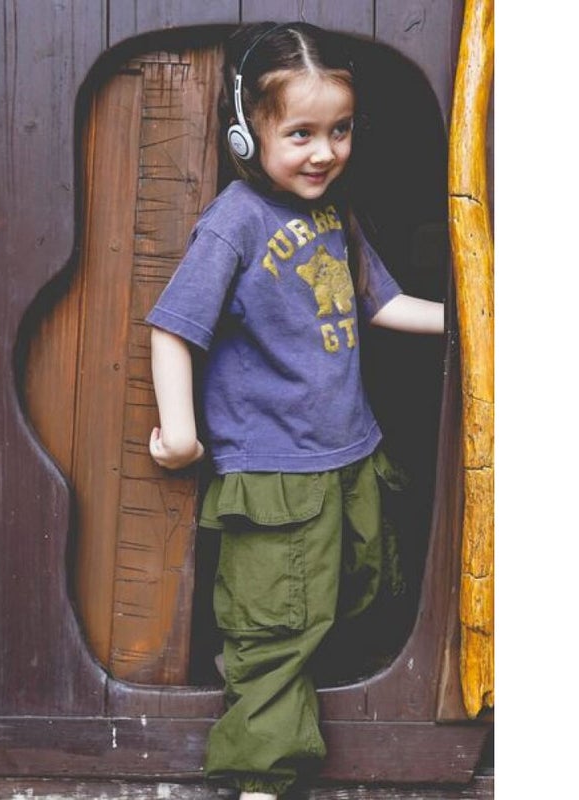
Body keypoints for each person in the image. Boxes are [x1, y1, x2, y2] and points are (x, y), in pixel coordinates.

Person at [146, 21, 444, 800]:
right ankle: (260, 780)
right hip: (274, 476)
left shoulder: (335, 214)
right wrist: (180, 434)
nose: (324, 152)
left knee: (357, 598)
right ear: (247, 134)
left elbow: (382, 304)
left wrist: (476, 320)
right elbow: (173, 327)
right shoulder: (235, 221)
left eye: (340, 130)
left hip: (351, 456)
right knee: (273, 634)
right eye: (301, 133)